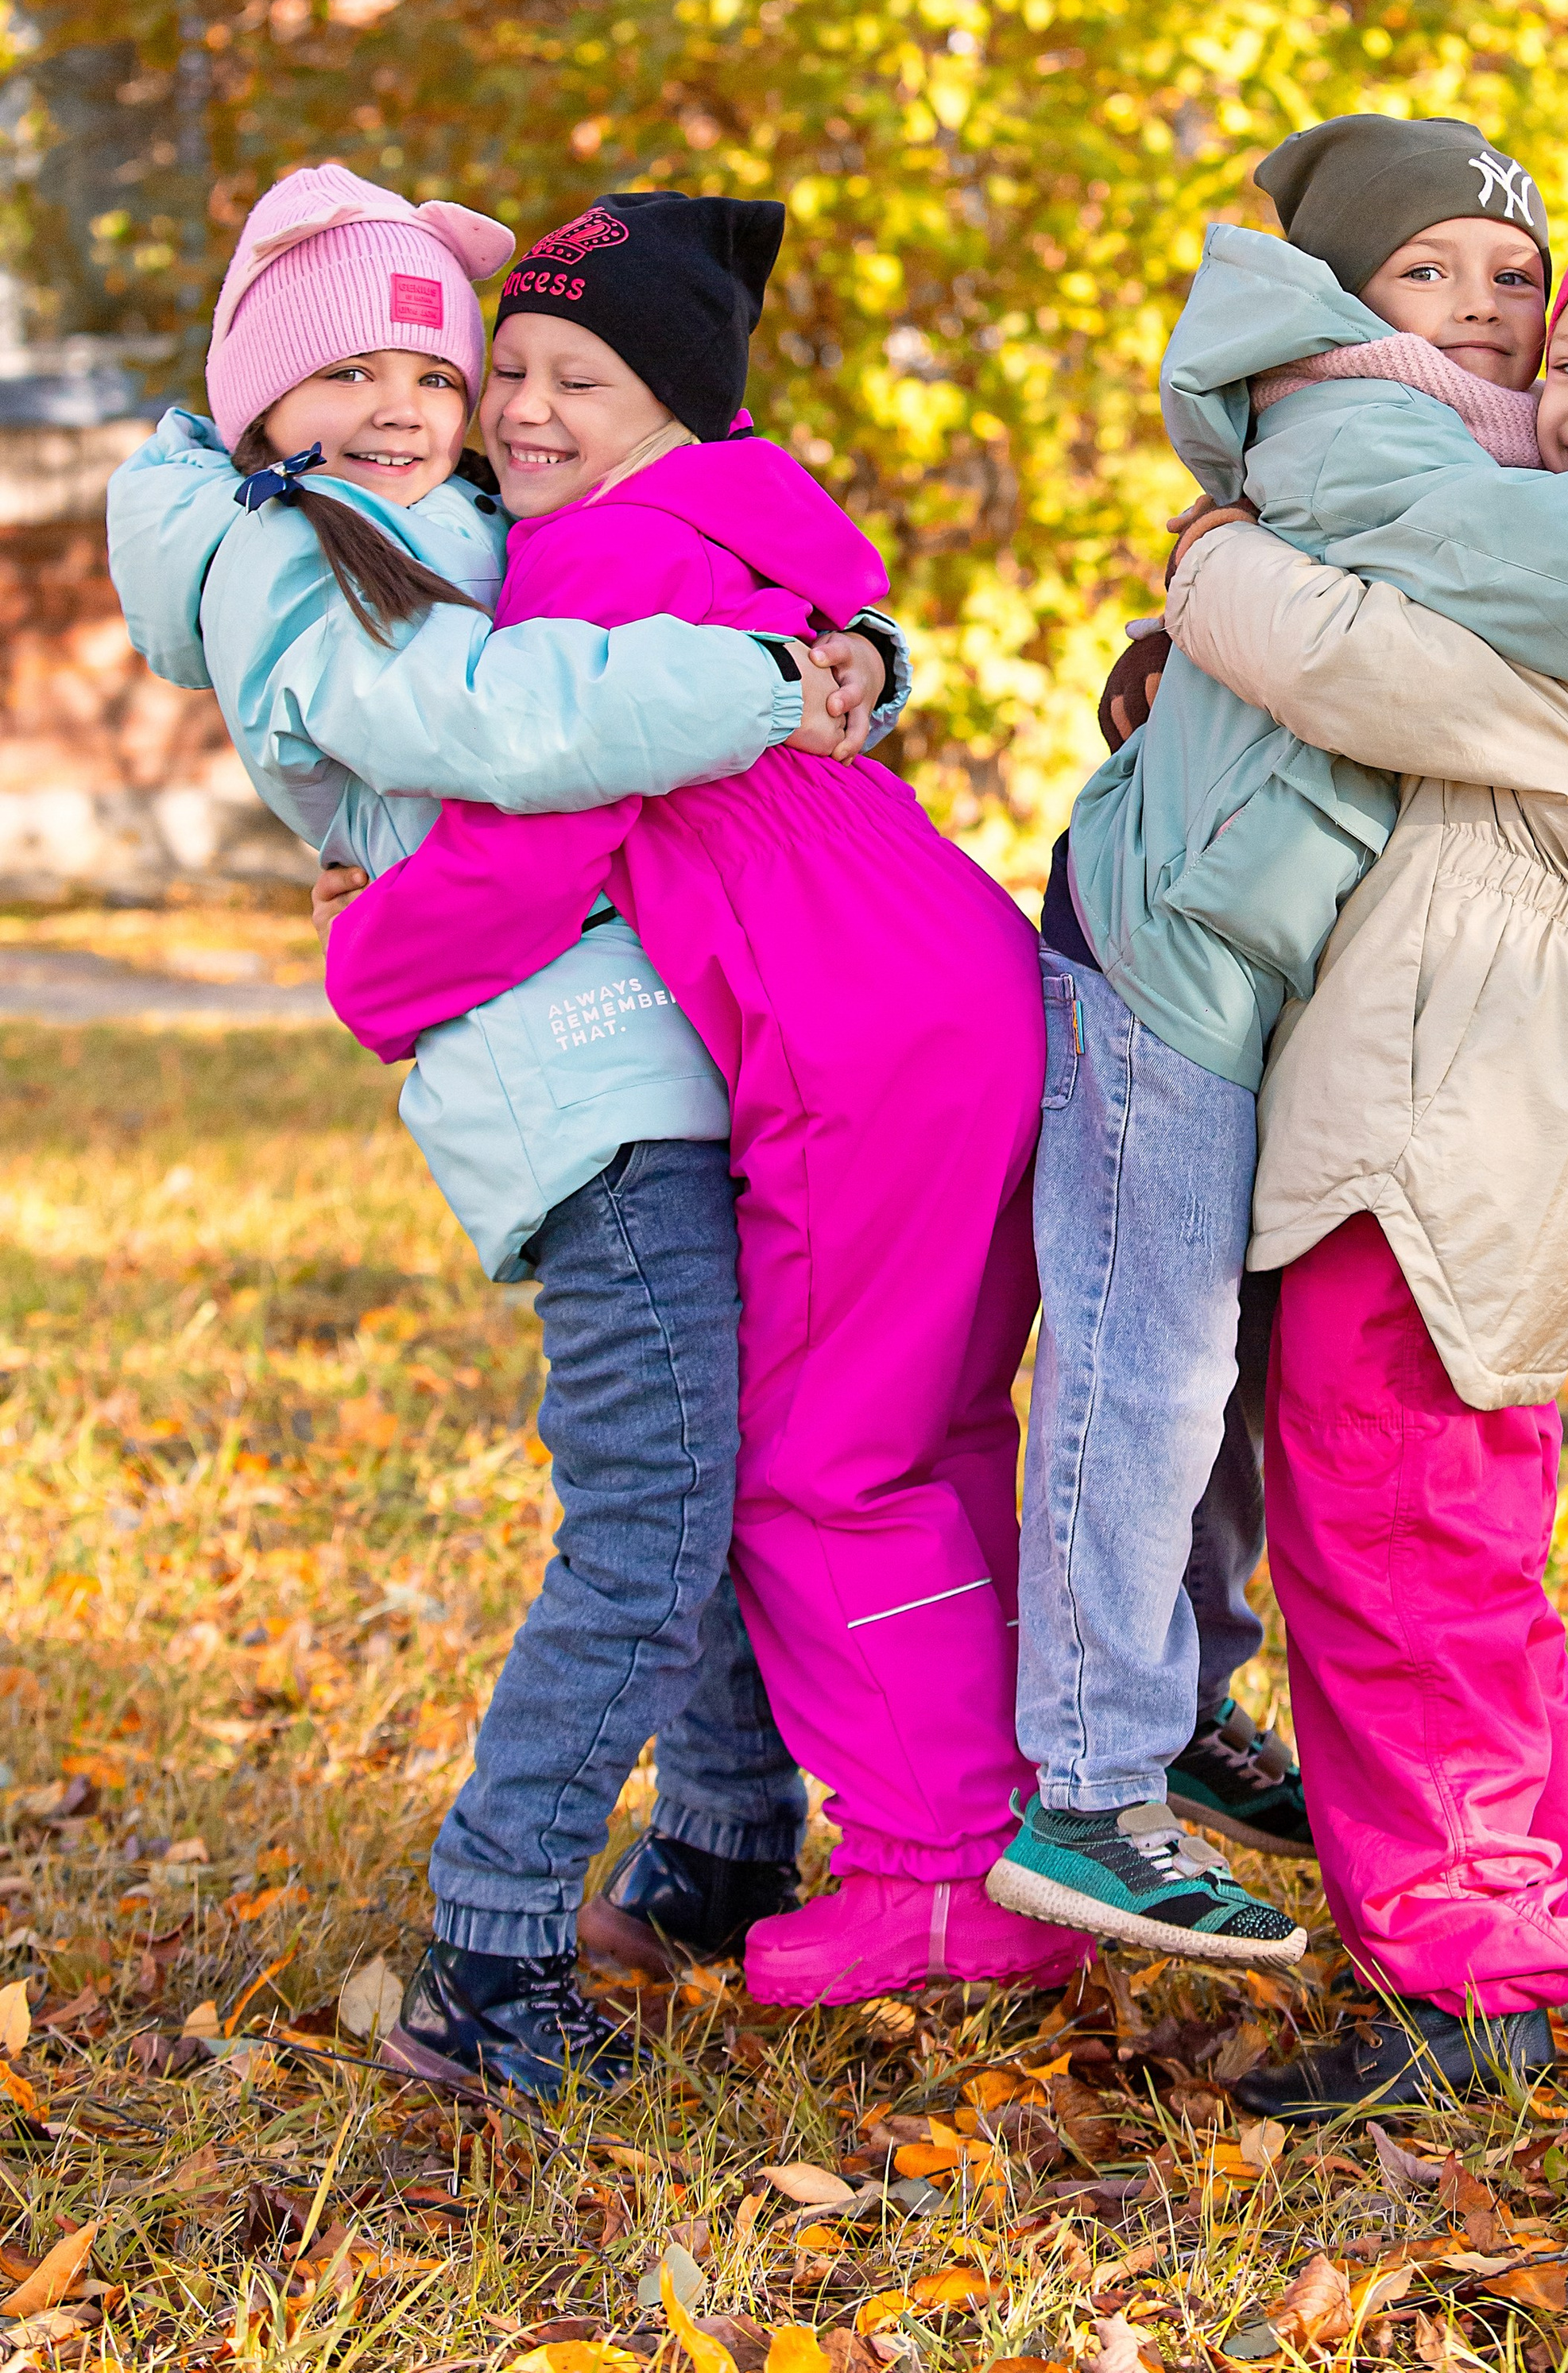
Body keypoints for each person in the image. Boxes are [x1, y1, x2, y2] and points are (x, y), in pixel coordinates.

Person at [989, 118, 1568, 1964]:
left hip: (1444, 1092)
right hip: (1398, 1048)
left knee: (1395, 1531)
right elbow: (1447, 555)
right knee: (1403, 1508)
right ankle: (1536, 1923)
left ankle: (1468, 1968)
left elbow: (1360, 662)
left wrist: (1210, 568)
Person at [107, 163, 901, 2099]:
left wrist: (865, 669)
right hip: (572, 1088)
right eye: (347, 368)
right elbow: (484, 716)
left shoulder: (426, 512)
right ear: (256, 396)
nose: (400, 404)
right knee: (647, 1509)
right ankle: (493, 1952)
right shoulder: (291, 558)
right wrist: (754, 693)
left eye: (430, 371)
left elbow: (702, 564)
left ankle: (717, 1846)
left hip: (658, 1042)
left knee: (716, 1475)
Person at [323, 192, 1091, 2014]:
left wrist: (370, 968)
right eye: (506, 365)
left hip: (849, 1042)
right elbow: (856, 656)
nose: (521, 408)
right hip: (969, 989)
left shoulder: (590, 563)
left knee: (820, 1465)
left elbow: (532, 836)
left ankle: (933, 1881)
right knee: (940, 1437)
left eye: (576, 378)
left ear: (668, 399)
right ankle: (1030, 1838)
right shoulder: (743, 534)